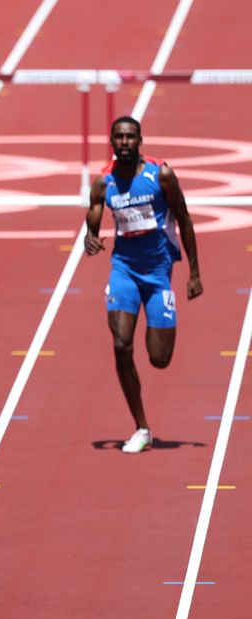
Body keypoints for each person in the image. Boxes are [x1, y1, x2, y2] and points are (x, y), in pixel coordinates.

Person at [84, 116, 203, 454]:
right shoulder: (103, 183)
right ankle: (142, 427)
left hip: (159, 272)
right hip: (123, 269)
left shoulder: (160, 174)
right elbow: (92, 222)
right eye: (118, 137)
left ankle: (144, 424)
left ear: (139, 141)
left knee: (159, 358)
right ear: (111, 141)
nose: (124, 142)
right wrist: (89, 239)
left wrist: (194, 272)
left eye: (130, 137)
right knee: (121, 345)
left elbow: (184, 217)